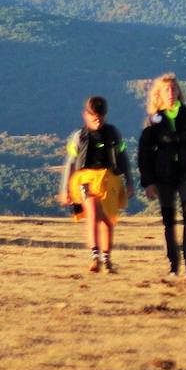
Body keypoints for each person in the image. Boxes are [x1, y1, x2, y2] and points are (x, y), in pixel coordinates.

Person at [138, 73, 186, 278]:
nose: (171, 93)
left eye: (174, 89)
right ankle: (173, 266)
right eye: (166, 90)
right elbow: (144, 153)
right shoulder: (154, 120)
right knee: (168, 222)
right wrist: (148, 182)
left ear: (179, 91)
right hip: (163, 178)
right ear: (159, 95)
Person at [58, 96, 132, 273]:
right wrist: (65, 189)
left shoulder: (113, 134)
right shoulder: (79, 137)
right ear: (86, 115)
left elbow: (123, 157)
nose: (97, 119)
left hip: (109, 179)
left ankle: (106, 259)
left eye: (100, 116)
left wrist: (130, 182)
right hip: (85, 179)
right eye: (93, 116)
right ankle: (95, 257)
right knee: (92, 213)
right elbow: (70, 162)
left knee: (107, 220)